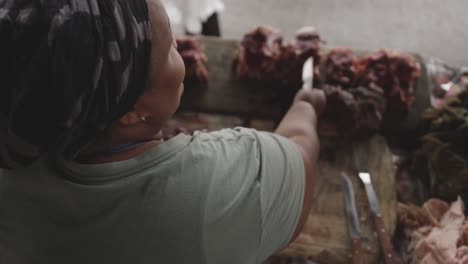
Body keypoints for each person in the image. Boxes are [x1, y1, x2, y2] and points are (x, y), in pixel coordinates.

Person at [0, 0, 325, 263]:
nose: (179, 57)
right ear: (129, 112)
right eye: (171, 47)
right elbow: (301, 158)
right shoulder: (221, 188)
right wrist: (306, 107)